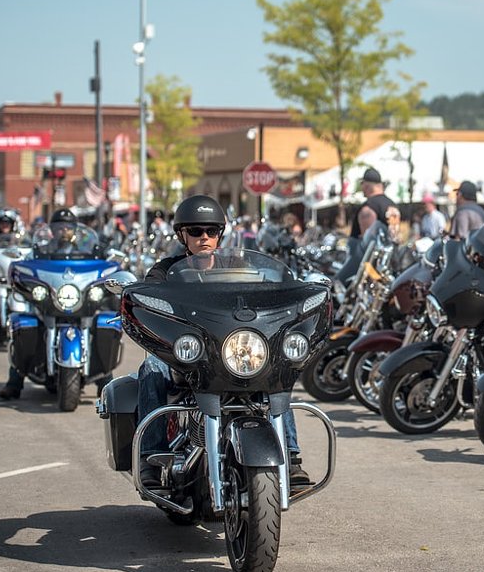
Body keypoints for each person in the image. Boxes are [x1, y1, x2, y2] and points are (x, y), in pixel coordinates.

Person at [136, 195, 310, 490]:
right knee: (152, 367)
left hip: (231, 350)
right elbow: (148, 302)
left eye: (211, 231)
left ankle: (291, 458)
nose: (204, 237)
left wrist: (289, 292)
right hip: (191, 353)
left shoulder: (239, 265)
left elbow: (268, 293)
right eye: (195, 231)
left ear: (220, 234)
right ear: (182, 235)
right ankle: (151, 457)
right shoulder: (164, 272)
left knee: (278, 370)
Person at [0, 209, 84, 399]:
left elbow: (101, 264)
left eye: (68, 227)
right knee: (26, 328)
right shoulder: (40, 250)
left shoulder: (87, 252)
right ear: (52, 230)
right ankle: (14, 383)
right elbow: (26, 264)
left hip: (76, 301)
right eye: (60, 227)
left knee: (100, 323)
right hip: (47, 301)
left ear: (75, 229)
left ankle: (105, 381)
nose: (64, 230)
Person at [351, 167, 396, 238]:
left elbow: (368, 240)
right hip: (390, 245)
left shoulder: (368, 208)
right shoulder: (392, 204)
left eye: (362, 183)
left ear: (366, 185)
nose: (361, 187)